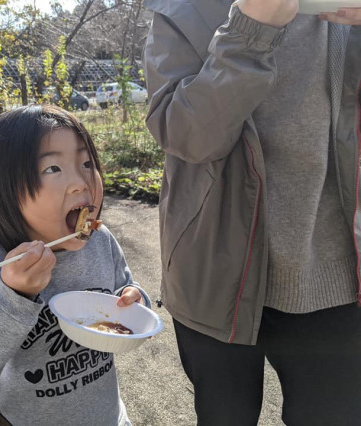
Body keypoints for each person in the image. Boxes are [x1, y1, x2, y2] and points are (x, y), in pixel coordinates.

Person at [143, 0, 361, 424]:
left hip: (337, 279)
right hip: (214, 278)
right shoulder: (182, 10)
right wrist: (250, 31)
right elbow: (187, 137)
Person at [0, 104, 150, 425]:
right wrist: (9, 296)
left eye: (86, 163)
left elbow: (129, 292)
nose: (81, 181)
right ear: (4, 191)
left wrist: (134, 301)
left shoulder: (101, 242)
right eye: (53, 168)